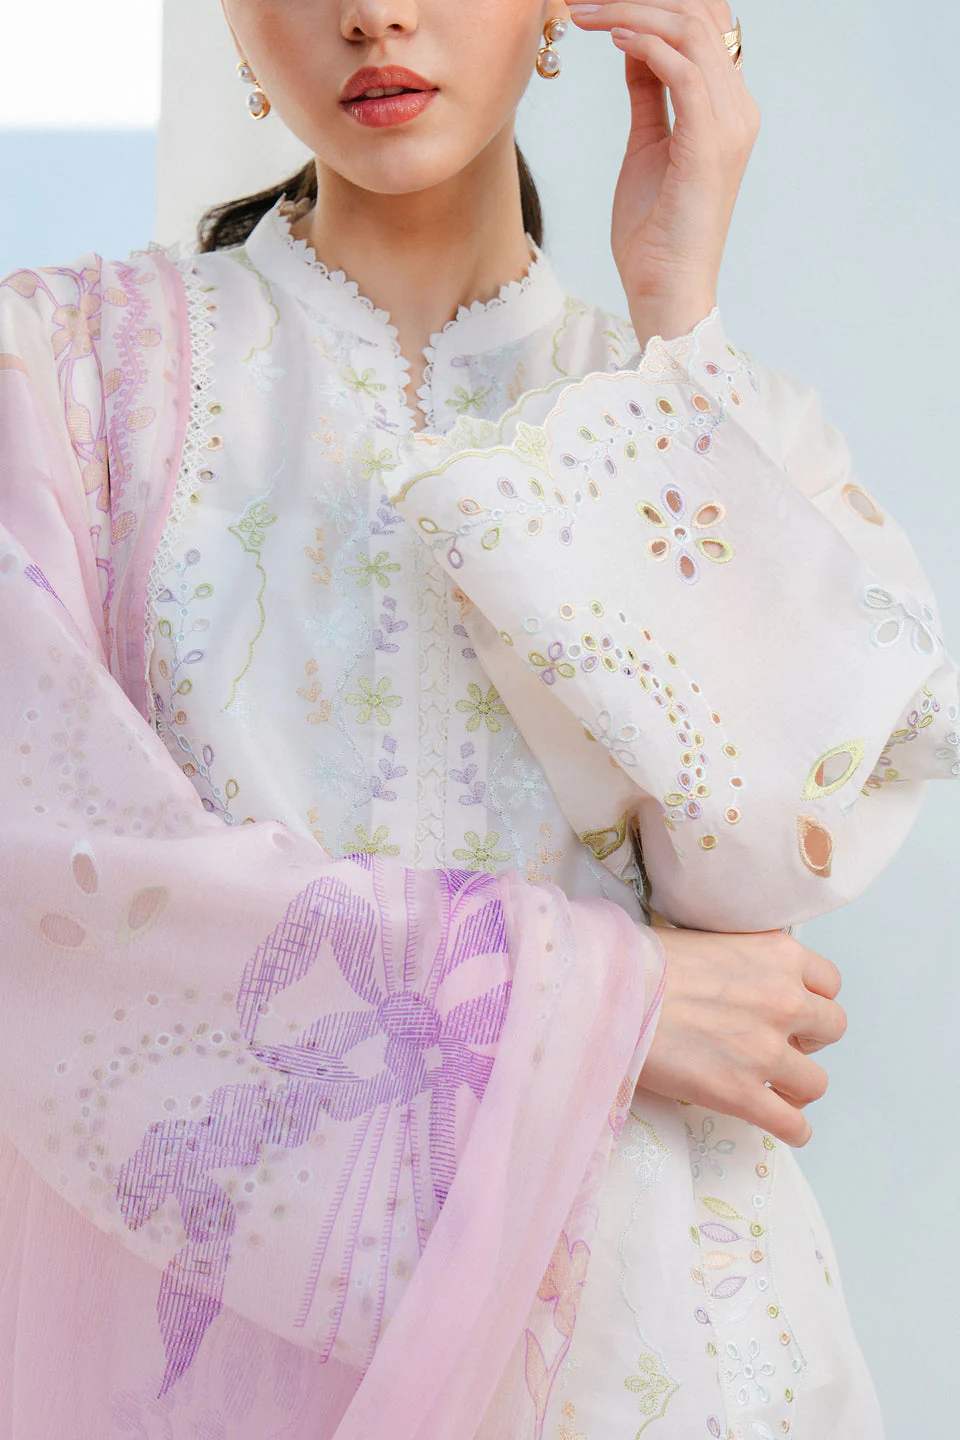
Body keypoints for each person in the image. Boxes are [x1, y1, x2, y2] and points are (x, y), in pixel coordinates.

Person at [0, 1, 955, 1436]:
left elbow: (767, 870)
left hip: (650, 1335)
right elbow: (38, 878)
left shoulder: (693, 410)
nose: (372, 14)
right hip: (233, 1358)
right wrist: (603, 999)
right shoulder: (68, 380)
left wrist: (676, 323)